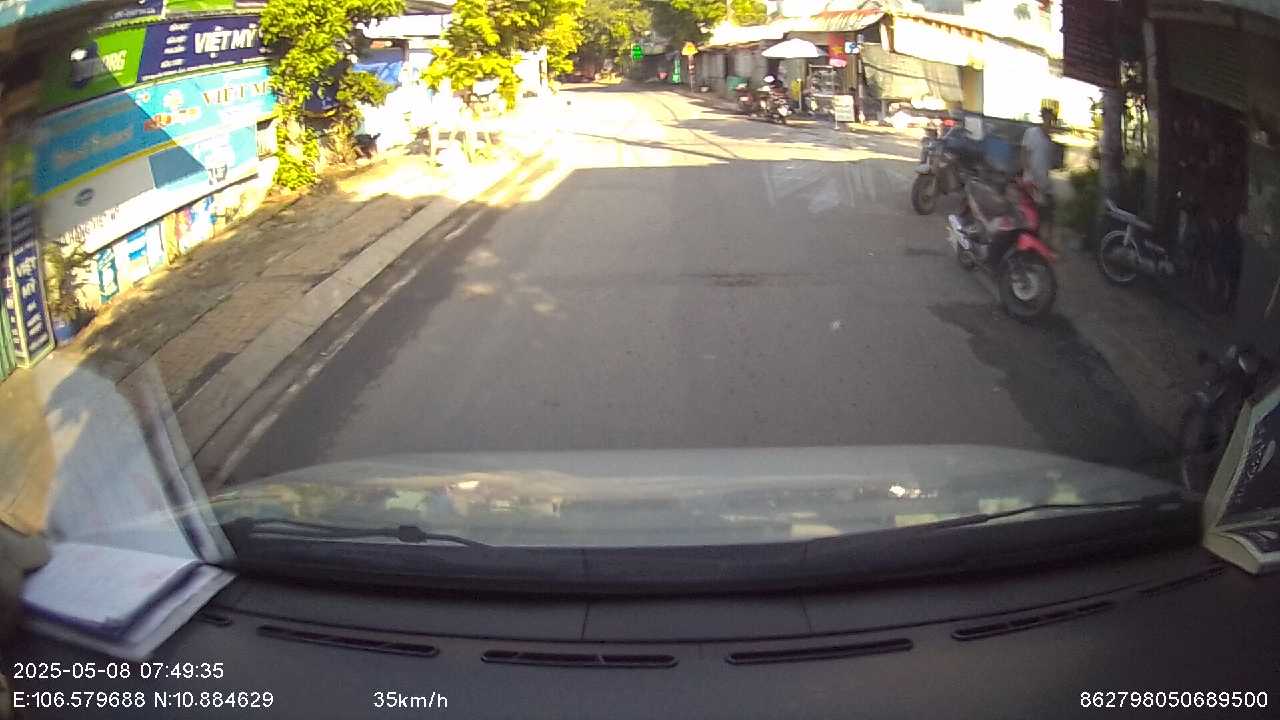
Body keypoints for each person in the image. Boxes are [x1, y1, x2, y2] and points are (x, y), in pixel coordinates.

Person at [1021, 107, 1057, 243]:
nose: (1049, 122)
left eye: (1051, 120)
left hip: (1044, 184)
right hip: (1031, 182)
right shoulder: (1031, 133)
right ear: (1042, 118)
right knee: (1031, 214)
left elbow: (1048, 164)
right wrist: (1029, 176)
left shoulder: (1049, 141)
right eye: (1047, 119)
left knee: (1045, 214)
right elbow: (1024, 154)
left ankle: (1040, 241)